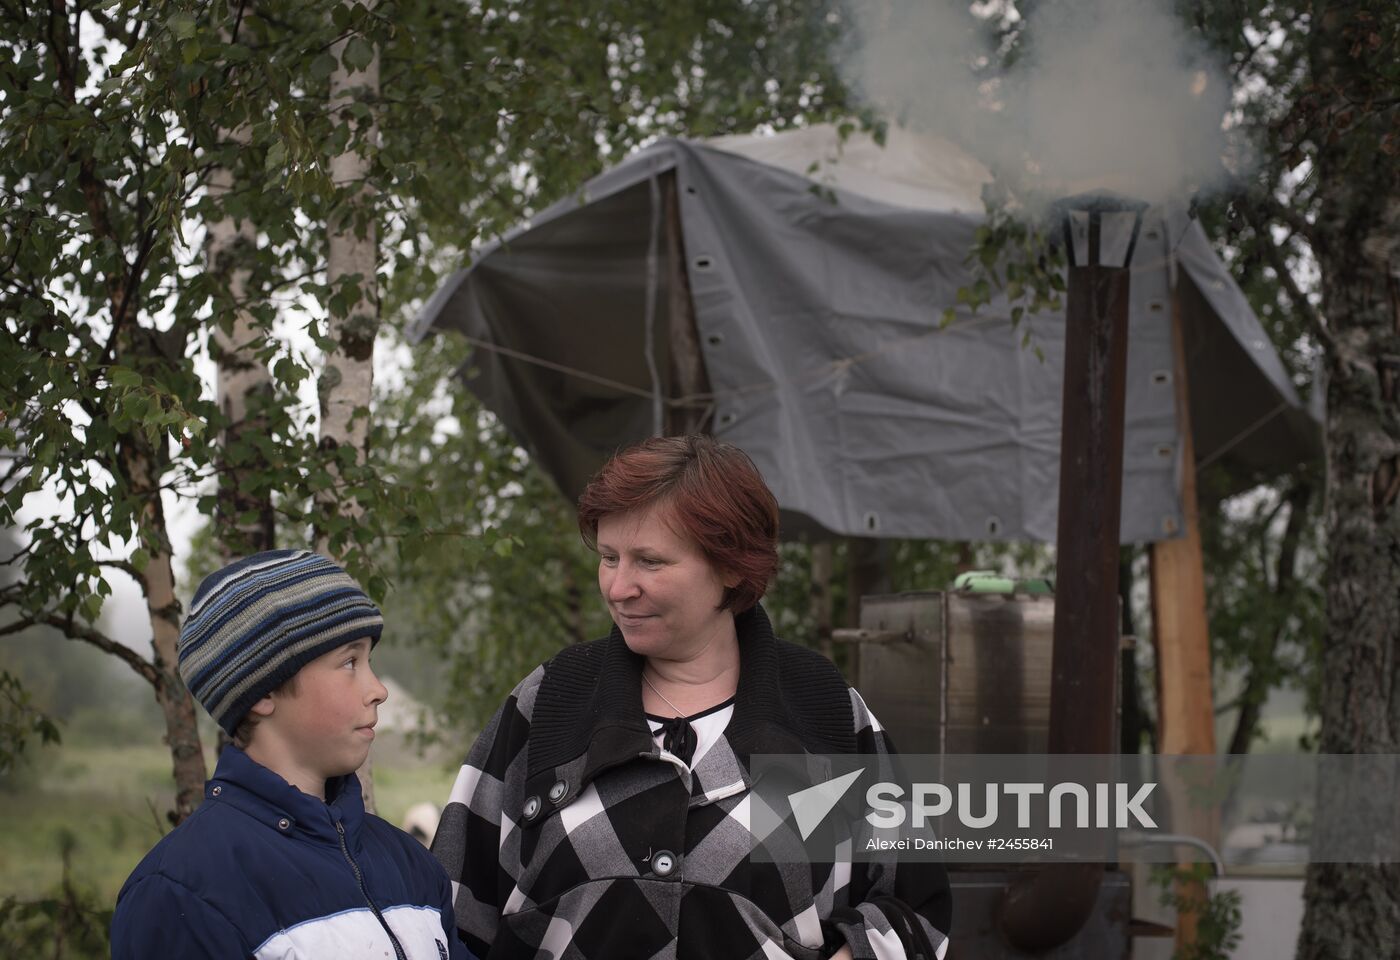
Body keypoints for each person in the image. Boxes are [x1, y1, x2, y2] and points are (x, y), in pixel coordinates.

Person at [432, 436, 951, 960]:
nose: (618, 587)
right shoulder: (549, 703)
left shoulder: (826, 712)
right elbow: (449, 909)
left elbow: (916, 908)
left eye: (650, 561)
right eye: (610, 557)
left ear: (730, 565)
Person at [111, 549, 473, 960]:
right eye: (350, 662)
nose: (378, 690)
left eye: (370, 660)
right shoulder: (182, 892)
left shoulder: (410, 865)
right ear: (263, 691)